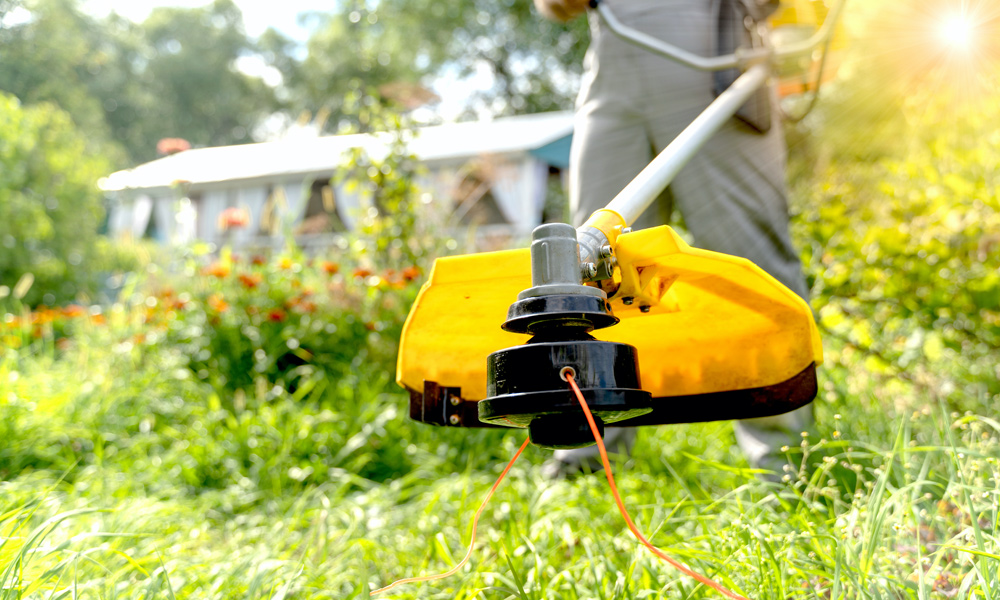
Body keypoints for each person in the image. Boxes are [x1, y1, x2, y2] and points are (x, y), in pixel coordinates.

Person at [535, 0, 813, 478]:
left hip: (715, 48)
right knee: (591, 269)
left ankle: (785, 462)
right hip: (612, 55)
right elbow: (556, 8)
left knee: (749, 259)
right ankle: (587, 457)